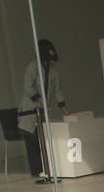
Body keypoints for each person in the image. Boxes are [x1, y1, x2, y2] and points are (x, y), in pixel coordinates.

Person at [18, 39, 70, 183]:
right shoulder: (32, 67)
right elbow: (28, 88)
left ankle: (47, 169)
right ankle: (37, 170)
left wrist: (65, 110)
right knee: (32, 139)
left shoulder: (54, 71)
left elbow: (57, 90)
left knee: (44, 139)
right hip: (30, 109)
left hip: (43, 111)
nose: (52, 51)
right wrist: (41, 101)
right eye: (50, 49)